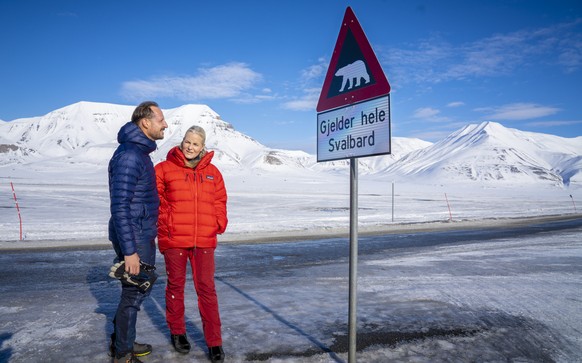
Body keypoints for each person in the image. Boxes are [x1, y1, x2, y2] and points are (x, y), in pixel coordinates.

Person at [155, 125, 228, 363]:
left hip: (204, 240)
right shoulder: (164, 169)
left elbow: (220, 200)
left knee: (207, 289)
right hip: (175, 238)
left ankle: (214, 342)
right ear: (182, 141)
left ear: (202, 146)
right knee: (175, 287)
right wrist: (165, 222)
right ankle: (177, 332)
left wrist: (218, 222)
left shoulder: (213, 173)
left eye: (195, 143)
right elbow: (153, 198)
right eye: (187, 141)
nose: (190, 147)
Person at [108, 101, 168, 363]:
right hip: (135, 235)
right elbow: (120, 205)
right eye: (161, 120)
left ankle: (124, 341)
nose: (165, 124)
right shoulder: (131, 155)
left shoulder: (138, 152)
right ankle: (123, 354)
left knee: (136, 290)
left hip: (140, 231)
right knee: (133, 294)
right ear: (145, 122)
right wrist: (130, 252)